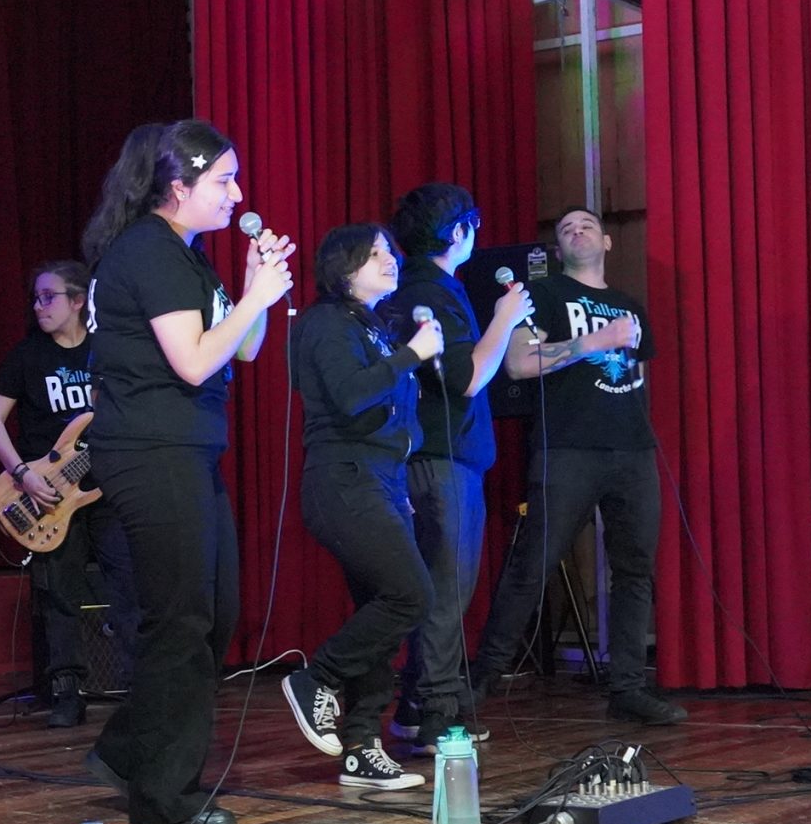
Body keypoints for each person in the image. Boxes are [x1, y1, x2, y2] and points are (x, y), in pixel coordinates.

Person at [76, 120, 295, 824]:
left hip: (185, 450)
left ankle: (126, 751)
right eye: (223, 181)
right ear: (178, 187)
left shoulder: (187, 257)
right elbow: (195, 362)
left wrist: (257, 290)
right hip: (152, 451)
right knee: (183, 621)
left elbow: (245, 350)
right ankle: (162, 797)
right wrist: (255, 299)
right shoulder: (150, 250)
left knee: (213, 615)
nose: (237, 195)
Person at [468, 209, 687, 725]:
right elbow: (518, 363)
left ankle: (628, 688)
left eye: (586, 225)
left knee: (635, 570)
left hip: (632, 450)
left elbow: (636, 375)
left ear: (607, 242)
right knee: (533, 564)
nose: (576, 231)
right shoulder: (542, 295)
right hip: (567, 448)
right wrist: (594, 342)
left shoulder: (630, 306)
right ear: (558, 250)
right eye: (565, 228)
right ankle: (480, 681)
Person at [280, 225, 439, 790]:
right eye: (374, 254)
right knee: (411, 595)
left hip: (382, 479)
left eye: (390, 251)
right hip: (343, 479)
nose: (389, 259)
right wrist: (411, 355)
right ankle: (314, 678)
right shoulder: (326, 322)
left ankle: (361, 747)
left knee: (381, 608)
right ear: (343, 267)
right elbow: (351, 396)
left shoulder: (372, 325)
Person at [388, 183, 531, 751]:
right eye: (473, 221)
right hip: (441, 460)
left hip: (436, 458)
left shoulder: (426, 286)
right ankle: (437, 714)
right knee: (446, 593)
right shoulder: (432, 290)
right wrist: (505, 319)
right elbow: (466, 378)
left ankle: (416, 704)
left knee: (440, 590)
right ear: (457, 232)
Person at [0, 260, 138, 728]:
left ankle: (141, 686)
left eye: (48, 297)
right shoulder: (27, 357)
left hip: (104, 488)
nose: (39, 305)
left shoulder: (105, 352)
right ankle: (67, 692)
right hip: (45, 495)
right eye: (36, 297)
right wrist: (22, 473)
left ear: (78, 301)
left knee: (128, 583)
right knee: (59, 595)